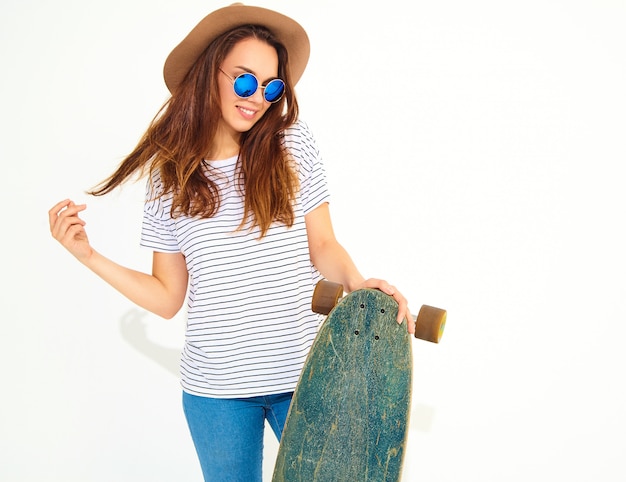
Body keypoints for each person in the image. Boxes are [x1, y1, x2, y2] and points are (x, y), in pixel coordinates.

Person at [48, 3, 414, 481]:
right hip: (216, 393)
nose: (256, 96)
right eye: (244, 80)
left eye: (271, 86)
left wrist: (359, 284)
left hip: (306, 378)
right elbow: (166, 297)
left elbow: (322, 243)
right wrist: (88, 256)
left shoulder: (291, 144)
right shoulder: (170, 178)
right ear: (209, 74)